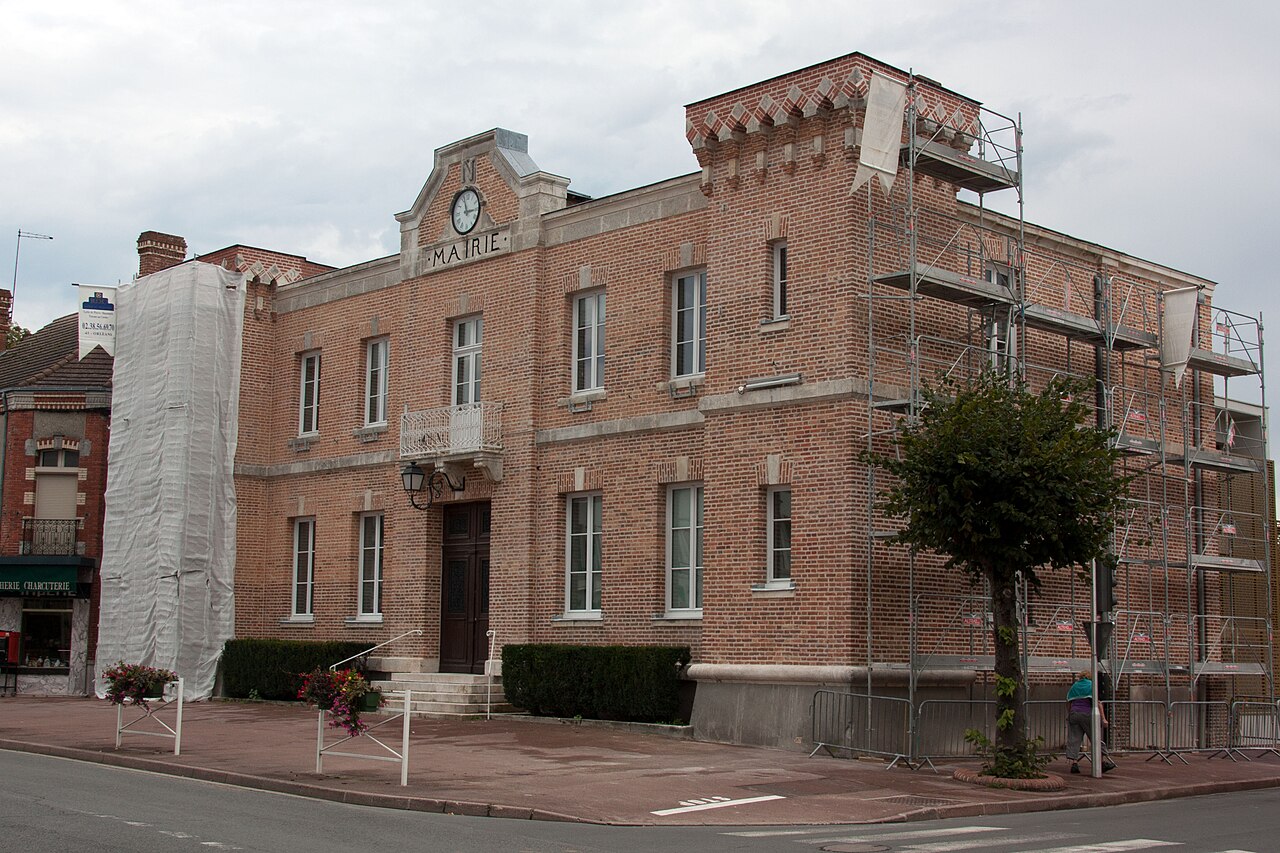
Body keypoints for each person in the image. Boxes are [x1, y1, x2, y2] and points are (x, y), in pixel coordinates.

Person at [1066, 670, 1116, 774]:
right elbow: (1097, 703)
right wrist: (1103, 718)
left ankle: (1074, 763)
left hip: (1074, 714)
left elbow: (1069, 701)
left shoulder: (1075, 686)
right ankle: (1101, 763)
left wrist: (1070, 714)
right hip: (1087, 714)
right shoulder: (1091, 685)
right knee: (1095, 738)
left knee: (1074, 739)